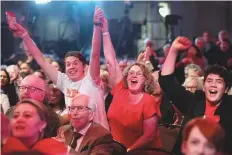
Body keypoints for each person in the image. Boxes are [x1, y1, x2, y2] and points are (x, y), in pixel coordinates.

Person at [11, 7, 109, 130]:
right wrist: (25, 35)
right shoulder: (64, 81)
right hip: (75, 136)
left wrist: (96, 25)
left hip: (98, 136)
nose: (71, 67)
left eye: (75, 63)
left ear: (84, 67)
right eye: (68, 64)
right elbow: (41, 60)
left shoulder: (92, 80)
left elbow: (95, 53)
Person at [159, 36, 232, 154]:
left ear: (226, 89)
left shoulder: (230, 107)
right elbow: (166, 82)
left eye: (219, 82)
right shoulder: (194, 102)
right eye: (209, 81)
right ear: (203, 87)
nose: (213, 85)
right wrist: (173, 50)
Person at [100, 14, 161, 150]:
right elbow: (110, 60)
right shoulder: (120, 89)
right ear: (126, 78)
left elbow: (149, 136)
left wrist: (127, 152)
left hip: (139, 152)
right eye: (131, 73)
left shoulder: (148, 101)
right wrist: (105, 31)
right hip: (115, 150)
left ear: (145, 80)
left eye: (139, 74)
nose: (134, 75)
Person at [2, 99, 67, 154]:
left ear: (42, 124)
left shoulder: (53, 150)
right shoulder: (3, 148)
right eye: (15, 116)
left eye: (27, 115)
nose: (19, 119)